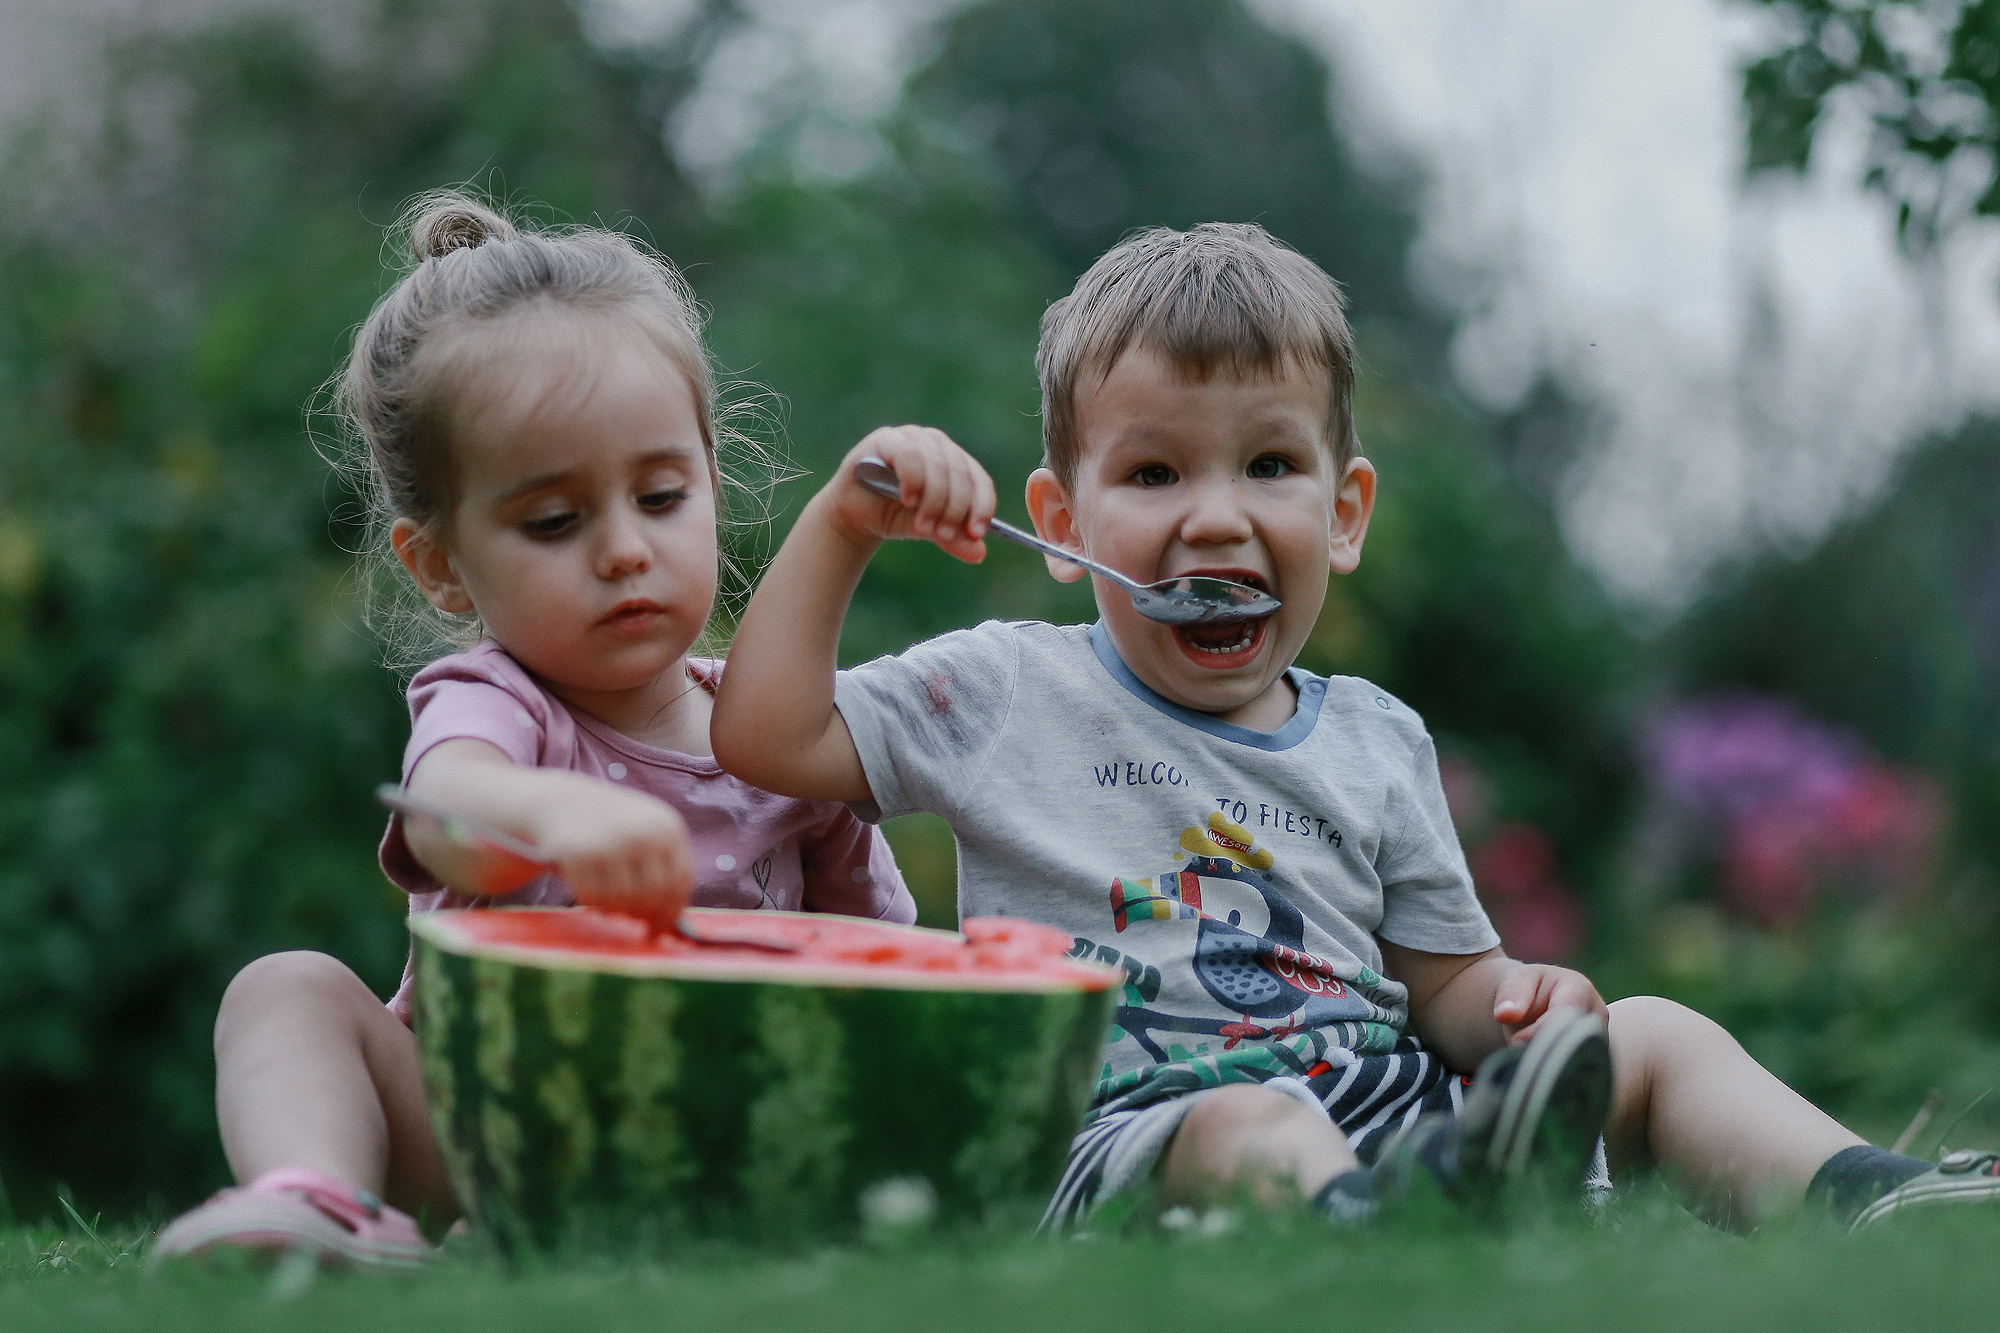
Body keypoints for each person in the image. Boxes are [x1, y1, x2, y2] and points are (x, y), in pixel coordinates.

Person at [712, 222, 1999, 1231]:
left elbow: (1446, 996)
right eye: (1154, 473)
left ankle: (1871, 1194)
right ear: (1059, 525)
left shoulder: (1375, 740)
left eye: (1268, 466)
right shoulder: (1003, 689)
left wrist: (1525, 1005)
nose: (1215, 518)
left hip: (1387, 1109)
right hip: (1134, 1135)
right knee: (1246, 1122)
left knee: (1649, 1034)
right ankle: (1376, 1226)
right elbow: (764, 737)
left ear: (1342, 512)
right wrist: (842, 524)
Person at [154, 194, 915, 1266]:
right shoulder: (497, 702)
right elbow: (450, 809)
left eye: (659, 496)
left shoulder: (777, 735)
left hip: (724, 1136)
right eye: (553, 522)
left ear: (710, 477)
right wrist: (550, 813)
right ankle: (319, 1201)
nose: (620, 551)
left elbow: (884, 957)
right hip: (478, 1129)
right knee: (284, 988)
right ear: (441, 564)